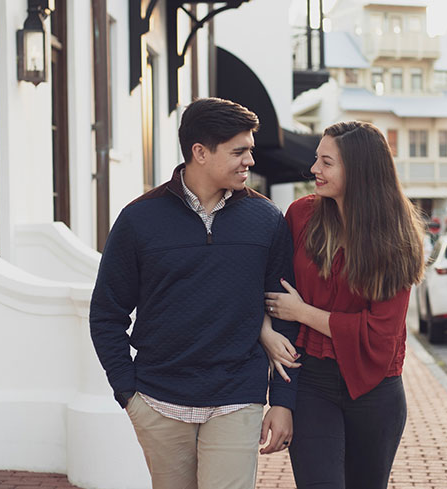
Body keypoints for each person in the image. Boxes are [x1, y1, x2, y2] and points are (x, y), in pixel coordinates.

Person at [89, 97, 299, 489]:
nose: (249, 161)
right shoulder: (139, 219)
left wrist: (283, 401)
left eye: (250, 150)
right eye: (239, 151)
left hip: (238, 397)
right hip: (158, 401)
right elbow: (106, 312)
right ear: (200, 152)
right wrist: (127, 392)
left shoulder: (266, 219)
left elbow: (285, 313)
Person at [260, 121, 424, 489]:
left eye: (326, 162)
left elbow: (379, 334)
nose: (314, 169)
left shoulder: (398, 236)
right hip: (312, 381)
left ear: (359, 170)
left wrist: (303, 313)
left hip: (375, 389)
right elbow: (272, 292)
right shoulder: (301, 216)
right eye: (317, 159)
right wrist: (267, 331)